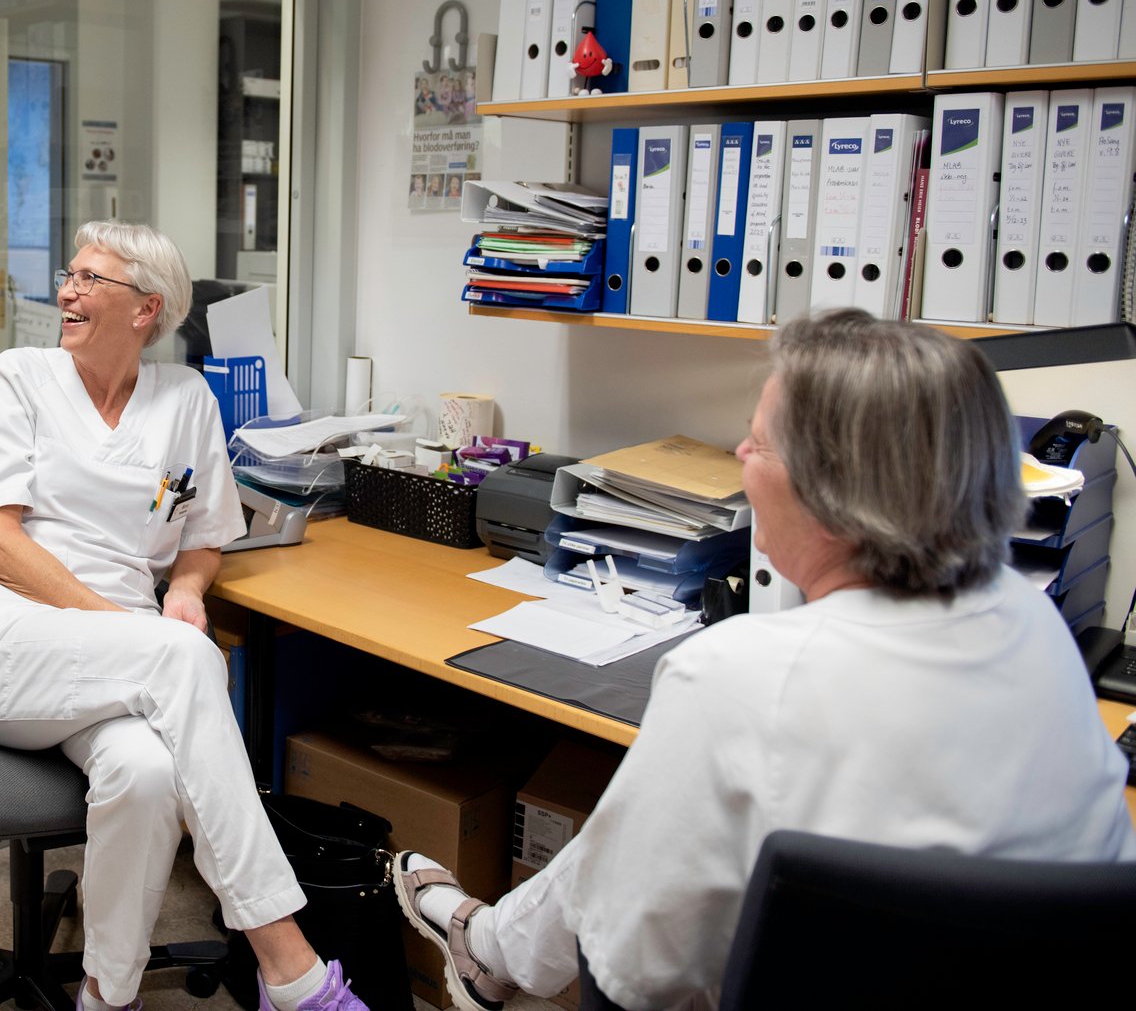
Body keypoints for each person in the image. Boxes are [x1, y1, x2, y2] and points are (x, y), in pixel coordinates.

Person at [392, 309, 1136, 1011]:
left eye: (757, 443)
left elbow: (635, 966)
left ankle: (490, 947)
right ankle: (490, 946)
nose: (740, 459)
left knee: (642, 846)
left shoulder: (737, 675)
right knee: (644, 829)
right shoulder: (1032, 619)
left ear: (833, 487)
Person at [0, 221, 368, 1011]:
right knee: (184, 660)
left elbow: (203, 540)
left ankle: (107, 992)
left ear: (146, 309)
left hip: (114, 664)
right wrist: (133, 630)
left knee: (148, 771)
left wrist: (186, 593)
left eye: (91, 279)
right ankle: (291, 966)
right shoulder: (20, 377)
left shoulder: (185, 398)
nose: (67, 291)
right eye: (70, 273)